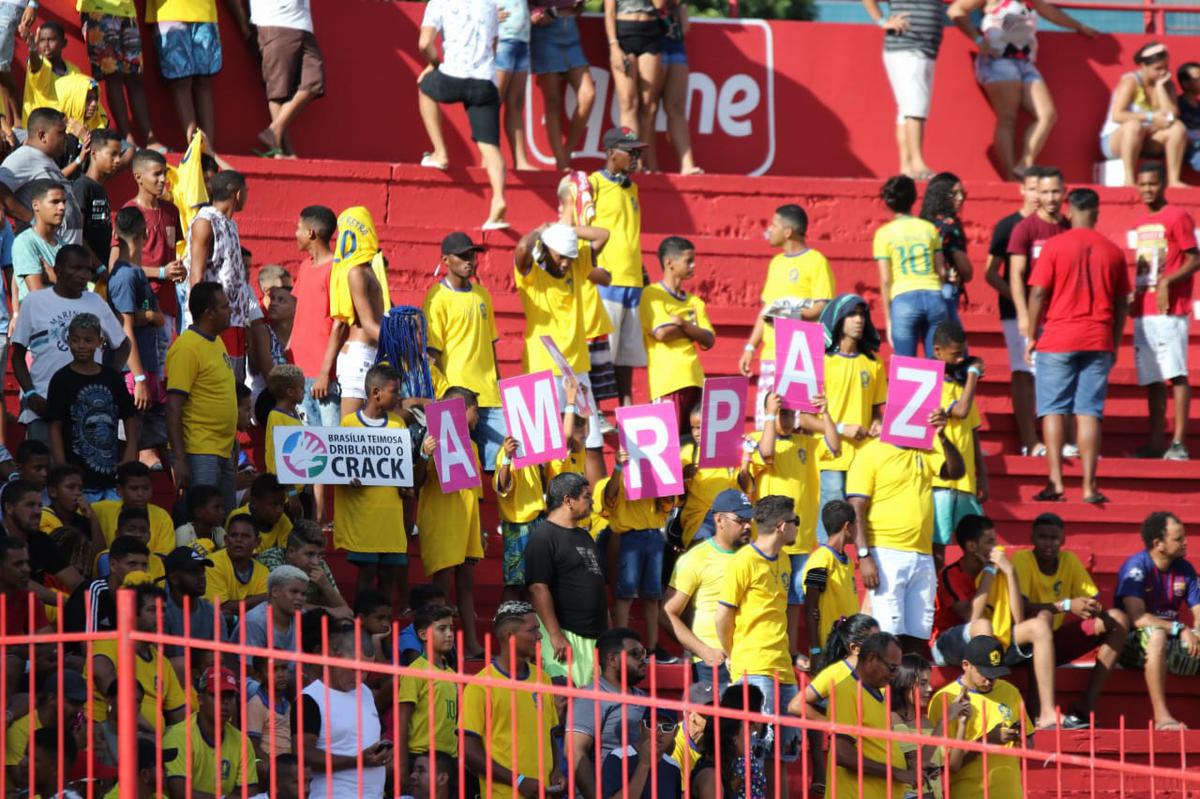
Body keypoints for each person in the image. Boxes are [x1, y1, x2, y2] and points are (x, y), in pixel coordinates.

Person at [1026, 188, 1129, 504]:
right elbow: (1121, 304)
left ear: (1069, 211)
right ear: (1096, 213)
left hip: (1058, 336)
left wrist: (1031, 334)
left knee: (1053, 409)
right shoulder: (1113, 251)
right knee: (1089, 411)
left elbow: (1038, 292)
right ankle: (1088, 486)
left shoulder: (1054, 246)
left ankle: (1056, 482)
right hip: (1098, 337)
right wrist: (1114, 341)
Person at [847, 407, 964, 653]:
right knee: (888, 635)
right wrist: (864, 556)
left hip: (922, 555)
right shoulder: (870, 452)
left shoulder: (925, 451)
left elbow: (956, 471)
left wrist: (943, 436)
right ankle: (887, 680)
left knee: (918, 635)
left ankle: (909, 679)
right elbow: (856, 507)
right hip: (886, 553)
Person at [931, 514, 1064, 729]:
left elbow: (1018, 619)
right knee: (983, 625)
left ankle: (1047, 711)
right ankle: (987, 701)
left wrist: (1010, 572)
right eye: (990, 542)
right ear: (972, 546)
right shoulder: (951, 574)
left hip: (992, 636)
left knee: (1038, 626)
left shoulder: (1001, 571)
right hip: (948, 644)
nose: (996, 548)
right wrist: (989, 572)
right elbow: (972, 617)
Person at [947, 0, 1096, 180]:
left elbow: (1051, 13)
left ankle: (1025, 164)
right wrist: (978, 39)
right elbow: (956, 10)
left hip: (1025, 62)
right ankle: (1010, 176)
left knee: (1047, 114)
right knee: (1008, 118)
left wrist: (1079, 26)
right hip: (998, 59)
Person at [742, 391, 840, 658]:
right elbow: (767, 452)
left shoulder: (805, 443)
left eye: (789, 414)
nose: (785, 419)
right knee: (766, 594)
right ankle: (764, 647)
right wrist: (770, 415)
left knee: (795, 597)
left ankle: (791, 649)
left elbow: (835, 446)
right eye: (780, 414)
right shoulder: (756, 438)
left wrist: (826, 413)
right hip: (768, 536)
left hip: (799, 535)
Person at [1011, 512, 1129, 726]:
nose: (1048, 543)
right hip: (1023, 643)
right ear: (1032, 538)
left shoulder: (1068, 560)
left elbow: (1091, 597)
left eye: (1054, 538)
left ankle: (1086, 706)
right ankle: (1038, 711)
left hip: (1053, 641)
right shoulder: (1022, 559)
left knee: (1117, 619)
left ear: (1063, 540)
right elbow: (1021, 609)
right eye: (1042, 537)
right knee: (1043, 618)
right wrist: (1066, 605)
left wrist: (1093, 607)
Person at [714, 495, 801, 782]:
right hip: (754, 668)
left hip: (783, 669)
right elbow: (722, 616)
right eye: (796, 521)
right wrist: (732, 654)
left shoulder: (785, 559)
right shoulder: (743, 561)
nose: (798, 527)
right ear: (781, 526)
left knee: (783, 755)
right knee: (753, 755)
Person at [513, 221, 611, 474]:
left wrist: (567, 230)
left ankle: (595, 500)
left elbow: (603, 234)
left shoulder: (577, 265)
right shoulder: (532, 275)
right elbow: (522, 247)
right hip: (542, 369)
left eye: (570, 257)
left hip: (577, 368)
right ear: (546, 250)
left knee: (590, 443)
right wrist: (542, 230)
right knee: (543, 448)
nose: (566, 263)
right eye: (561, 257)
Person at [12, 245, 129, 445]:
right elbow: (17, 356)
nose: (84, 275)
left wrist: (108, 378)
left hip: (88, 407)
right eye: (76, 268)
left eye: (88, 270)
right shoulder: (34, 301)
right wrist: (31, 394)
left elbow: (123, 344)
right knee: (46, 463)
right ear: (58, 270)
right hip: (44, 406)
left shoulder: (96, 302)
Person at [737, 204, 834, 425]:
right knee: (768, 422)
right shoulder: (776, 263)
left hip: (800, 356)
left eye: (773, 225)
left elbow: (823, 307)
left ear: (788, 231)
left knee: (798, 423)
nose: (769, 230)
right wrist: (750, 347)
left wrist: (792, 315)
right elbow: (766, 310)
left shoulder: (816, 261)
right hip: (771, 355)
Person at [416, 0, 507, 229]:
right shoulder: (490, 4)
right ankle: (498, 198)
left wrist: (434, 64)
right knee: (490, 147)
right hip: (485, 81)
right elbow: (494, 45)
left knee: (425, 88)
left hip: (453, 75)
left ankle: (440, 153)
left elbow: (425, 43)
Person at [1130, 162, 1199, 460]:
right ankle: (1156, 441)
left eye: (1153, 184)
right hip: (1145, 309)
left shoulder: (1177, 216)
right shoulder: (1143, 221)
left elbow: (1195, 258)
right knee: (1152, 379)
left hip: (1170, 309)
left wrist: (1168, 281)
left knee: (1176, 373)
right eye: (1143, 184)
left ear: (1163, 184)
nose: (1147, 189)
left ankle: (1179, 442)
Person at [462, 601, 564, 799]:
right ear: (510, 637)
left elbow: (550, 734)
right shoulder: (480, 686)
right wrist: (518, 781)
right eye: (533, 630)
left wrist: (557, 771)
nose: (540, 636)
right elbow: (468, 751)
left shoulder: (542, 678)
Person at [424, 232, 505, 471]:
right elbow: (432, 355)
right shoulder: (436, 298)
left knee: (501, 467)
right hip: (457, 399)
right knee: (460, 471)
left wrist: (500, 386)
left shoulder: (482, 295)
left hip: (490, 396)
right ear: (445, 260)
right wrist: (443, 398)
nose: (469, 260)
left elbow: (490, 344)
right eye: (462, 256)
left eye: (471, 255)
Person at [333, 363, 410, 611]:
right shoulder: (348, 424)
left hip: (390, 516)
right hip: (363, 517)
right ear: (376, 393)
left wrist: (405, 487)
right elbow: (338, 468)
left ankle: (384, 624)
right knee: (366, 573)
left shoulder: (398, 424)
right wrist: (348, 478)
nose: (399, 397)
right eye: (394, 391)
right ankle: (360, 623)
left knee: (388, 574)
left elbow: (402, 469)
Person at [1115, 511, 1200, 730]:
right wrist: (1180, 628)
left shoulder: (1185, 569)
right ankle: (1162, 717)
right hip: (1131, 645)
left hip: (1171, 642)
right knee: (1157, 635)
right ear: (1158, 544)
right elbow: (1138, 618)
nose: (1185, 542)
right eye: (1178, 539)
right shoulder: (1136, 566)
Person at [664, 488, 753, 693]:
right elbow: (667, 613)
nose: (748, 526)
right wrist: (703, 651)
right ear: (719, 520)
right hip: (715, 664)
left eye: (750, 520)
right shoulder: (695, 558)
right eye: (740, 520)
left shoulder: (756, 556)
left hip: (752, 660)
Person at [418, 385, 486, 657]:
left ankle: (471, 643)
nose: (477, 416)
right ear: (460, 410)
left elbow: (476, 493)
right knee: (442, 585)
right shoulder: (432, 442)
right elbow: (417, 482)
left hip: (467, 523)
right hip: (442, 521)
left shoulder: (472, 446)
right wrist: (424, 455)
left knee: (467, 583)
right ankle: (443, 644)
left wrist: (480, 530)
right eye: (474, 410)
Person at [814, 295, 886, 542]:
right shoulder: (821, 361)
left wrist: (877, 424)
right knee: (832, 529)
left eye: (862, 314)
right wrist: (842, 428)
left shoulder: (874, 363)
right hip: (830, 456)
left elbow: (876, 412)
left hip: (864, 457)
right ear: (838, 319)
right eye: (852, 314)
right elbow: (805, 420)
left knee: (864, 522)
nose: (859, 320)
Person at [524, 472, 607, 685]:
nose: (592, 502)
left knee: (594, 702)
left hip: (595, 637)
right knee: (568, 700)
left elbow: (597, 583)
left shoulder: (584, 536)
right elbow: (538, 588)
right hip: (566, 636)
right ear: (568, 500)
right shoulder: (543, 537)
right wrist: (555, 635)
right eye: (587, 497)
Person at [46, 312, 139, 502]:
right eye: (75, 340)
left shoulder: (111, 378)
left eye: (88, 340)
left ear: (100, 341)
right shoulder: (61, 379)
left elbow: (130, 415)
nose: (81, 346)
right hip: (78, 481)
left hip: (111, 478)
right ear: (68, 341)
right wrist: (62, 466)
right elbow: (55, 425)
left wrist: (131, 449)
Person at [928, 635, 1032, 799]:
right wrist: (987, 740)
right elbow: (946, 764)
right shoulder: (946, 699)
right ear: (966, 665)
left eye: (995, 674)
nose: (990, 681)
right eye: (984, 673)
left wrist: (1020, 737)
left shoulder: (1010, 691)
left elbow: (1030, 742)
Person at [985, 167, 1043, 456]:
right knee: (1023, 371)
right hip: (1015, 313)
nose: (1037, 196)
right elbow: (991, 273)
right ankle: (1029, 440)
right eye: (1032, 189)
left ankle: (1062, 439)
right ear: (1022, 190)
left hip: (1052, 311)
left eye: (1042, 190)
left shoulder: (1058, 225)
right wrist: (1021, 302)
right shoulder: (1007, 226)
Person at [166, 281, 237, 509]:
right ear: (209, 313)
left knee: (222, 518)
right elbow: (173, 407)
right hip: (199, 450)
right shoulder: (187, 348)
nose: (230, 310)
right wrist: (179, 458)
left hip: (223, 448)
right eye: (225, 307)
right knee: (201, 517)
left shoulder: (217, 341)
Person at [184, 170, 260, 382]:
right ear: (238, 194)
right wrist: (199, 325)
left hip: (234, 322)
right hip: (213, 323)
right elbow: (196, 276)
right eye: (246, 191)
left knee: (234, 386)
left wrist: (243, 323)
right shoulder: (205, 222)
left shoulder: (230, 224)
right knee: (215, 383)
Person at [591, 127, 648, 407]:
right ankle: (597, 412)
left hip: (633, 281)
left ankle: (627, 408)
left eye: (638, 152)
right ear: (612, 153)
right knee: (603, 353)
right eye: (630, 152)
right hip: (607, 281)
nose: (636, 157)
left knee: (627, 355)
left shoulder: (632, 188)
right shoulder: (593, 184)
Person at [109, 206, 168, 470]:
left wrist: (151, 316)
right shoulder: (124, 275)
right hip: (132, 374)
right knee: (127, 448)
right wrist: (140, 378)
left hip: (145, 369)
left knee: (157, 440)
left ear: (115, 235)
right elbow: (125, 326)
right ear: (145, 234)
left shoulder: (134, 273)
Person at [145, 0, 249, 149]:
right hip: (170, 12)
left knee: (204, 80)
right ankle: (194, 147)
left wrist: (243, 20)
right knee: (181, 81)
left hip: (205, 14)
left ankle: (208, 149)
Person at [825, 632, 917, 797]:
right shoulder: (846, 691)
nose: (894, 675)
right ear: (871, 659)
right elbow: (842, 754)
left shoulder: (878, 694)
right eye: (892, 668)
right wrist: (897, 773)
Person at [863, 0, 946, 179]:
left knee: (908, 109)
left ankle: (906, 167)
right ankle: (917, 163)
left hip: (926, 50)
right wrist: (882, 21)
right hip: (907, 47)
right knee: (915, 106)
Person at [565, 626, 650, 798]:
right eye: (635, 654)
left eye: (644, 653)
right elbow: (574, 751)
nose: (643, 659)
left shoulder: (644, 698)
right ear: (612, 659)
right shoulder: (591, 697)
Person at [87, 583, 188, 728]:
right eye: (152, 610)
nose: (161, 616)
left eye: (163, 610)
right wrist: (136, 715)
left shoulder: (163, 663)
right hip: (106, 731)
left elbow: (181, 715)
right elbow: (100, 674)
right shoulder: (110, 643)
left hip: (151, 739)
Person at [602, 448, 670, 659]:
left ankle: (653, 647)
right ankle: (621, 647)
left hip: (654, 536)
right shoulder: (623, 472)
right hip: (629, 536)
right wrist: (618, 466)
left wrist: (670, 472)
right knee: (626, 594)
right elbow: (609, 497)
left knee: (652, 595)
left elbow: (668, 502)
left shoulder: (657, 470)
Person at [115, 149, 186, 348]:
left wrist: (179, 272)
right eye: (157, 174)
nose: (163, 179)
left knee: (164, 363)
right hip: (141, 306)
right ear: (138, 177)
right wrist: (162, 272)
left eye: (165, 173)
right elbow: (117, 265)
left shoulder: (172, 211)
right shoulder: (129, 213)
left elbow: (170, 252)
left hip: (168, 305)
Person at [640, 236, 713, 429]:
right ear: (669, 263)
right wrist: (693, 328)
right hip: (667, 382)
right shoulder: (651, 294)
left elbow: (708, 339)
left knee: (694, 442)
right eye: (688, 261)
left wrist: (682, 324)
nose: (693, 265)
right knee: (671, 443)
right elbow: (662, 333)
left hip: (695, 379)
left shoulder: (694, 301)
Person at [930, 321, 987, 568]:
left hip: (966, 482)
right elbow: (961, 411)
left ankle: (964, 586)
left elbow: (973, 434)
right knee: (938, 545)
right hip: (939, 479)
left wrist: (982, 476)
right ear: (937, 351)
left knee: (977, 543)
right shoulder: (931, 385)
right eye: (955, 354)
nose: (961, 359)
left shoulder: (961, 387)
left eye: (963, 353)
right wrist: (973, 373)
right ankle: (936, 587)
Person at [874, 174, 947, 357]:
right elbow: (941, 271)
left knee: (905, 367)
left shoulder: (883, 234)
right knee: (936, 364)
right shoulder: (929, 228)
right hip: (933, 295)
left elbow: (885, 280)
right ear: (914, 199)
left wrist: (888, 319)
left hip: (903, 299)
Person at [164, 666, 260, 799]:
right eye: (217, 695)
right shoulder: (179, 736)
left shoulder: (242, 741)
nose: (225, 703)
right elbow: (179, 793)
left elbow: (250, 793)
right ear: (200, 699)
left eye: (230, 697)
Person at [1101, 43, 1188, 189]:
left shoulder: (1167, 84)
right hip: (1117, 140)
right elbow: (1118, 115)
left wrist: (1160, 88)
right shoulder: (1130, 81)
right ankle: (1129, 180)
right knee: (1133, 127)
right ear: (1143, 66)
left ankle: (1174, 180)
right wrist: (1150, 117)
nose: (1163, 72)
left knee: (1177, 128)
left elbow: (1172, 115)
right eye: (1158, 68)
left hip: (1147, 140)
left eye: (1166, 67)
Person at [329, 206, 389, 416]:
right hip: (359, 355)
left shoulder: (368, 269)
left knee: (370, 427)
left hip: (370, 353)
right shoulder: (356, 272)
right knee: (351, 429)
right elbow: (368, 323)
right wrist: (400, 345)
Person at [395, 603, 458, 793]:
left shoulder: (453, 674)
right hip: (420, 756)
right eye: (442, 629)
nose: (449, 634)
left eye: (451, 629)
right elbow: (402, 720)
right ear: (423, 635)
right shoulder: (415, 671)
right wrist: (402, 765)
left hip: (449, 758)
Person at [250, 0, 324, 158]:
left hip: (303, 24)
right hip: (275, 21)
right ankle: (281, 151)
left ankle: (274, 130)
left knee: (314, 81)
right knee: (279, 90)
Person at [291, 205, 342, 431]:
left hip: (324, 377)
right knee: (307, 443)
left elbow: (340, 324)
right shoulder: (304, 267)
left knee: (331, 441)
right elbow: (300, 313)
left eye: (298, 228)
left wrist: (324, 373)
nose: (295, 234)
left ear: (311, 233)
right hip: (299, 373)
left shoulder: (336, 269)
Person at [530, 0, 595, 171]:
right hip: (545, 32)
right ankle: (561, 161)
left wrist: (580, 4)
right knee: (552, 101)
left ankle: (566, 153)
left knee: (588, 95)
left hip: (570, 28)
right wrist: (536, 13)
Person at [0, 108, 80, 242]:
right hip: (45, 251)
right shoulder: (24, 156)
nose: (66, 137)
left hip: (67, 250)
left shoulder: (48, 161)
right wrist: (33, 220)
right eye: (61, 132)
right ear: (42, 135)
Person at [1008, 166, 1069, 341]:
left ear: (1064, 191)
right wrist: (1023, 315)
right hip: (1036, 318)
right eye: (1045, 192)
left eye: (1055, 192)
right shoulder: (1024, 228)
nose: (1050, 198)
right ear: (1038, 194)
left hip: (1066, 318)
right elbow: (1016, 274)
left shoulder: (1070, 227)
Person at [604, 0, 664, 166]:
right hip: (623, 33)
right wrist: (613, 45)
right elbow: (609, 12)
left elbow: (659, 4)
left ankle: (644, 161)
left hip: (650, 31)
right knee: (628, 102)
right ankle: (631, 161)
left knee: (648, 105)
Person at [801, 500, 860, 657]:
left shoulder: (848, 561)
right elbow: (810, 607)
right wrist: (815, 650)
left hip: (848, 645)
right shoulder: (821, 559)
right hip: (831, 648)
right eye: (856, 524)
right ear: (847, 527)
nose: (857, 529)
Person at [63, 534, 148, 633]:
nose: (140, 570)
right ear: (113, 565)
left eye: (144, 565)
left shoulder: (145, 594)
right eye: (132, 564)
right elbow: (88, 641)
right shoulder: (94, 590)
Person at [257, 522, 346, 615]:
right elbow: (287, 603)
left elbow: (346, 611)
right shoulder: (271, 558)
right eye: (310, 554)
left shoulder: (320, 564)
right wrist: (330, 611)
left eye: (319, 555)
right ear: (291, 552)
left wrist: (325, 585)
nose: (316, 562)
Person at [920, 173, 974, 323]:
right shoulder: (950, 225)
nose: (960, 198)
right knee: (951, 336)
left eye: (962, 193)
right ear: (941, 195)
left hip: (920, 291)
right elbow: (966, 271)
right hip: (945, 291)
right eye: (954, 194)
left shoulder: (924, 222)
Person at [91, 461, 175, 555]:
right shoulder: (100, 510)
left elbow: (163, 556)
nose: (140, 494)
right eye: (134, 488)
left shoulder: (162, 517)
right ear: (119, 490)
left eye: (145, 488)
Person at [600, 709, 682, 799]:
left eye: (667, 727)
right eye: (651, 724)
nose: (659, 732)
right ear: (640, 726)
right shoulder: (618, 757)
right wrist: (644, 764)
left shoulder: (673, 767)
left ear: (676, 732)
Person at [236, 563, 306, 666]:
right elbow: (250, 670)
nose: (300, 598)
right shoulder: (254, 622)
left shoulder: (303, 616)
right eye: (294, 592)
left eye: (303, 594)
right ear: (274, 591)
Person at [72, 129, 123, 267]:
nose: (118, 160)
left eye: (119, 155)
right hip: (89, 272)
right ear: (94, 153)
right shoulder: (82, 187)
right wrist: (99, 268)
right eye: (113, 154)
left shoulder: (99, 188)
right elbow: (77, 235)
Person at [10, 178, 63, 303]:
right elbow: (38, 297)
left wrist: (55, 278)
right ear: (36, 205)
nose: (62, 207)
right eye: (55, 202)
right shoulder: (25, 242)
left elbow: (80, 292)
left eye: (63, 202)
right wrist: (64, 282)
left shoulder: (63, 244)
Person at [205, 513, 268, 613]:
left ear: (257, 542)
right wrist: (261, 598)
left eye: (245, 536)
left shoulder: (263, 571)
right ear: (226, 540)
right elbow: (220, 609)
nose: (238, 540)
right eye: (234, 535)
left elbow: (264, 609)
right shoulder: (212, 563)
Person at [495, 0, 532, 170]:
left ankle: (520, 161)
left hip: (522, 39)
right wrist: (487, 15)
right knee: (493, 102)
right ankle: (489, 158)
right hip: (501, 39)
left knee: (516, 104)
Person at [21, 20, 82, 119]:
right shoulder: (40, 64)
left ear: (64, 43)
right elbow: (36, 65)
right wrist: (32, 48)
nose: (46, 45)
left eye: (51, 40)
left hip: (65, 125)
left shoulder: (74, 71)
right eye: (42, 40)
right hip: (40, 125)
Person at [228, 471, 292, 553]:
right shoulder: (238, 518)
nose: (280, 510)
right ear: (254, 502)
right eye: (274, 504)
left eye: (282, 504)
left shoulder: (283, 520)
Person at [175, 483, 226, 550]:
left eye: (222, 507)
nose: (222, 512)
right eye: (216, 507)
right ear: (198, 512)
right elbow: (182, 556)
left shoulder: (219, 531)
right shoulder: (184, 532)